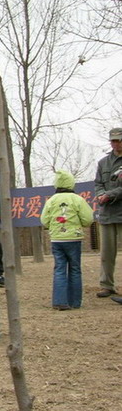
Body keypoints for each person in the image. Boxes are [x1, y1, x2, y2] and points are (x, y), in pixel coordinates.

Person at [40, 170, 95, 310]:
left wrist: (52, 226)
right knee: (75, 269)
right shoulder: (77, 199)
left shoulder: (51, 200)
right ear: (71, 183)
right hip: (73, 239)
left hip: (57, 240)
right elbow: (88, 219)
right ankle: (75, 302)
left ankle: (59, 301)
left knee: (59, 269)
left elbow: (44, 220)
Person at [94, 127, 122, 298]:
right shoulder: (103, 162)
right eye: (113, 140)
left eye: (118, 140)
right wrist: (99, 195)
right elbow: (98, 183)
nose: (115, 143)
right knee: (106, 253)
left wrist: (109, 195)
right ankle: (107, 285)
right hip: (106, 214)